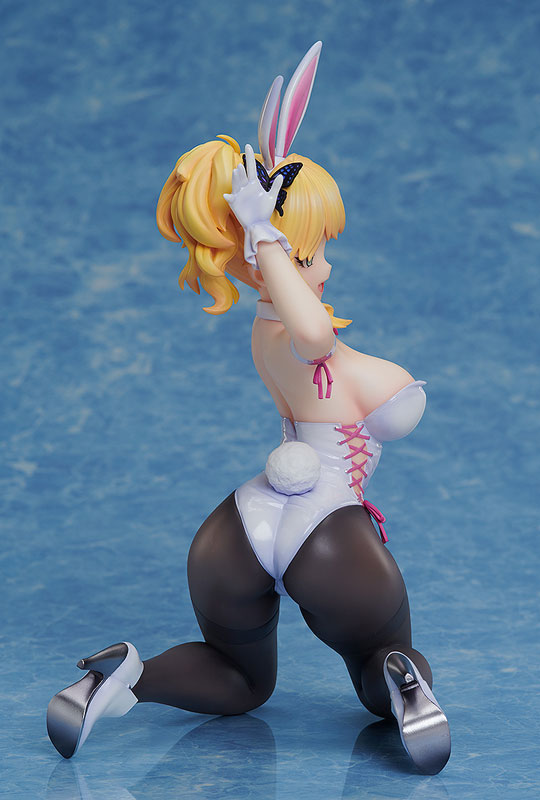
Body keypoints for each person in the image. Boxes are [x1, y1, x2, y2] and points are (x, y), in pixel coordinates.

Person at [47, 43, 451, 774]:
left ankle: (125, 675)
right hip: (329, 531)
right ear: (274, 259)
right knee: (377, 650)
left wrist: (264, 242)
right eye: (313, 252)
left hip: (240, 526)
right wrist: (265, 233)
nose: (326, 262)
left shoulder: (264, 331)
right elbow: (317, 334)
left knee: (238, 679)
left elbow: (300, 323)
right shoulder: (325, 352)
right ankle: (402, 679)